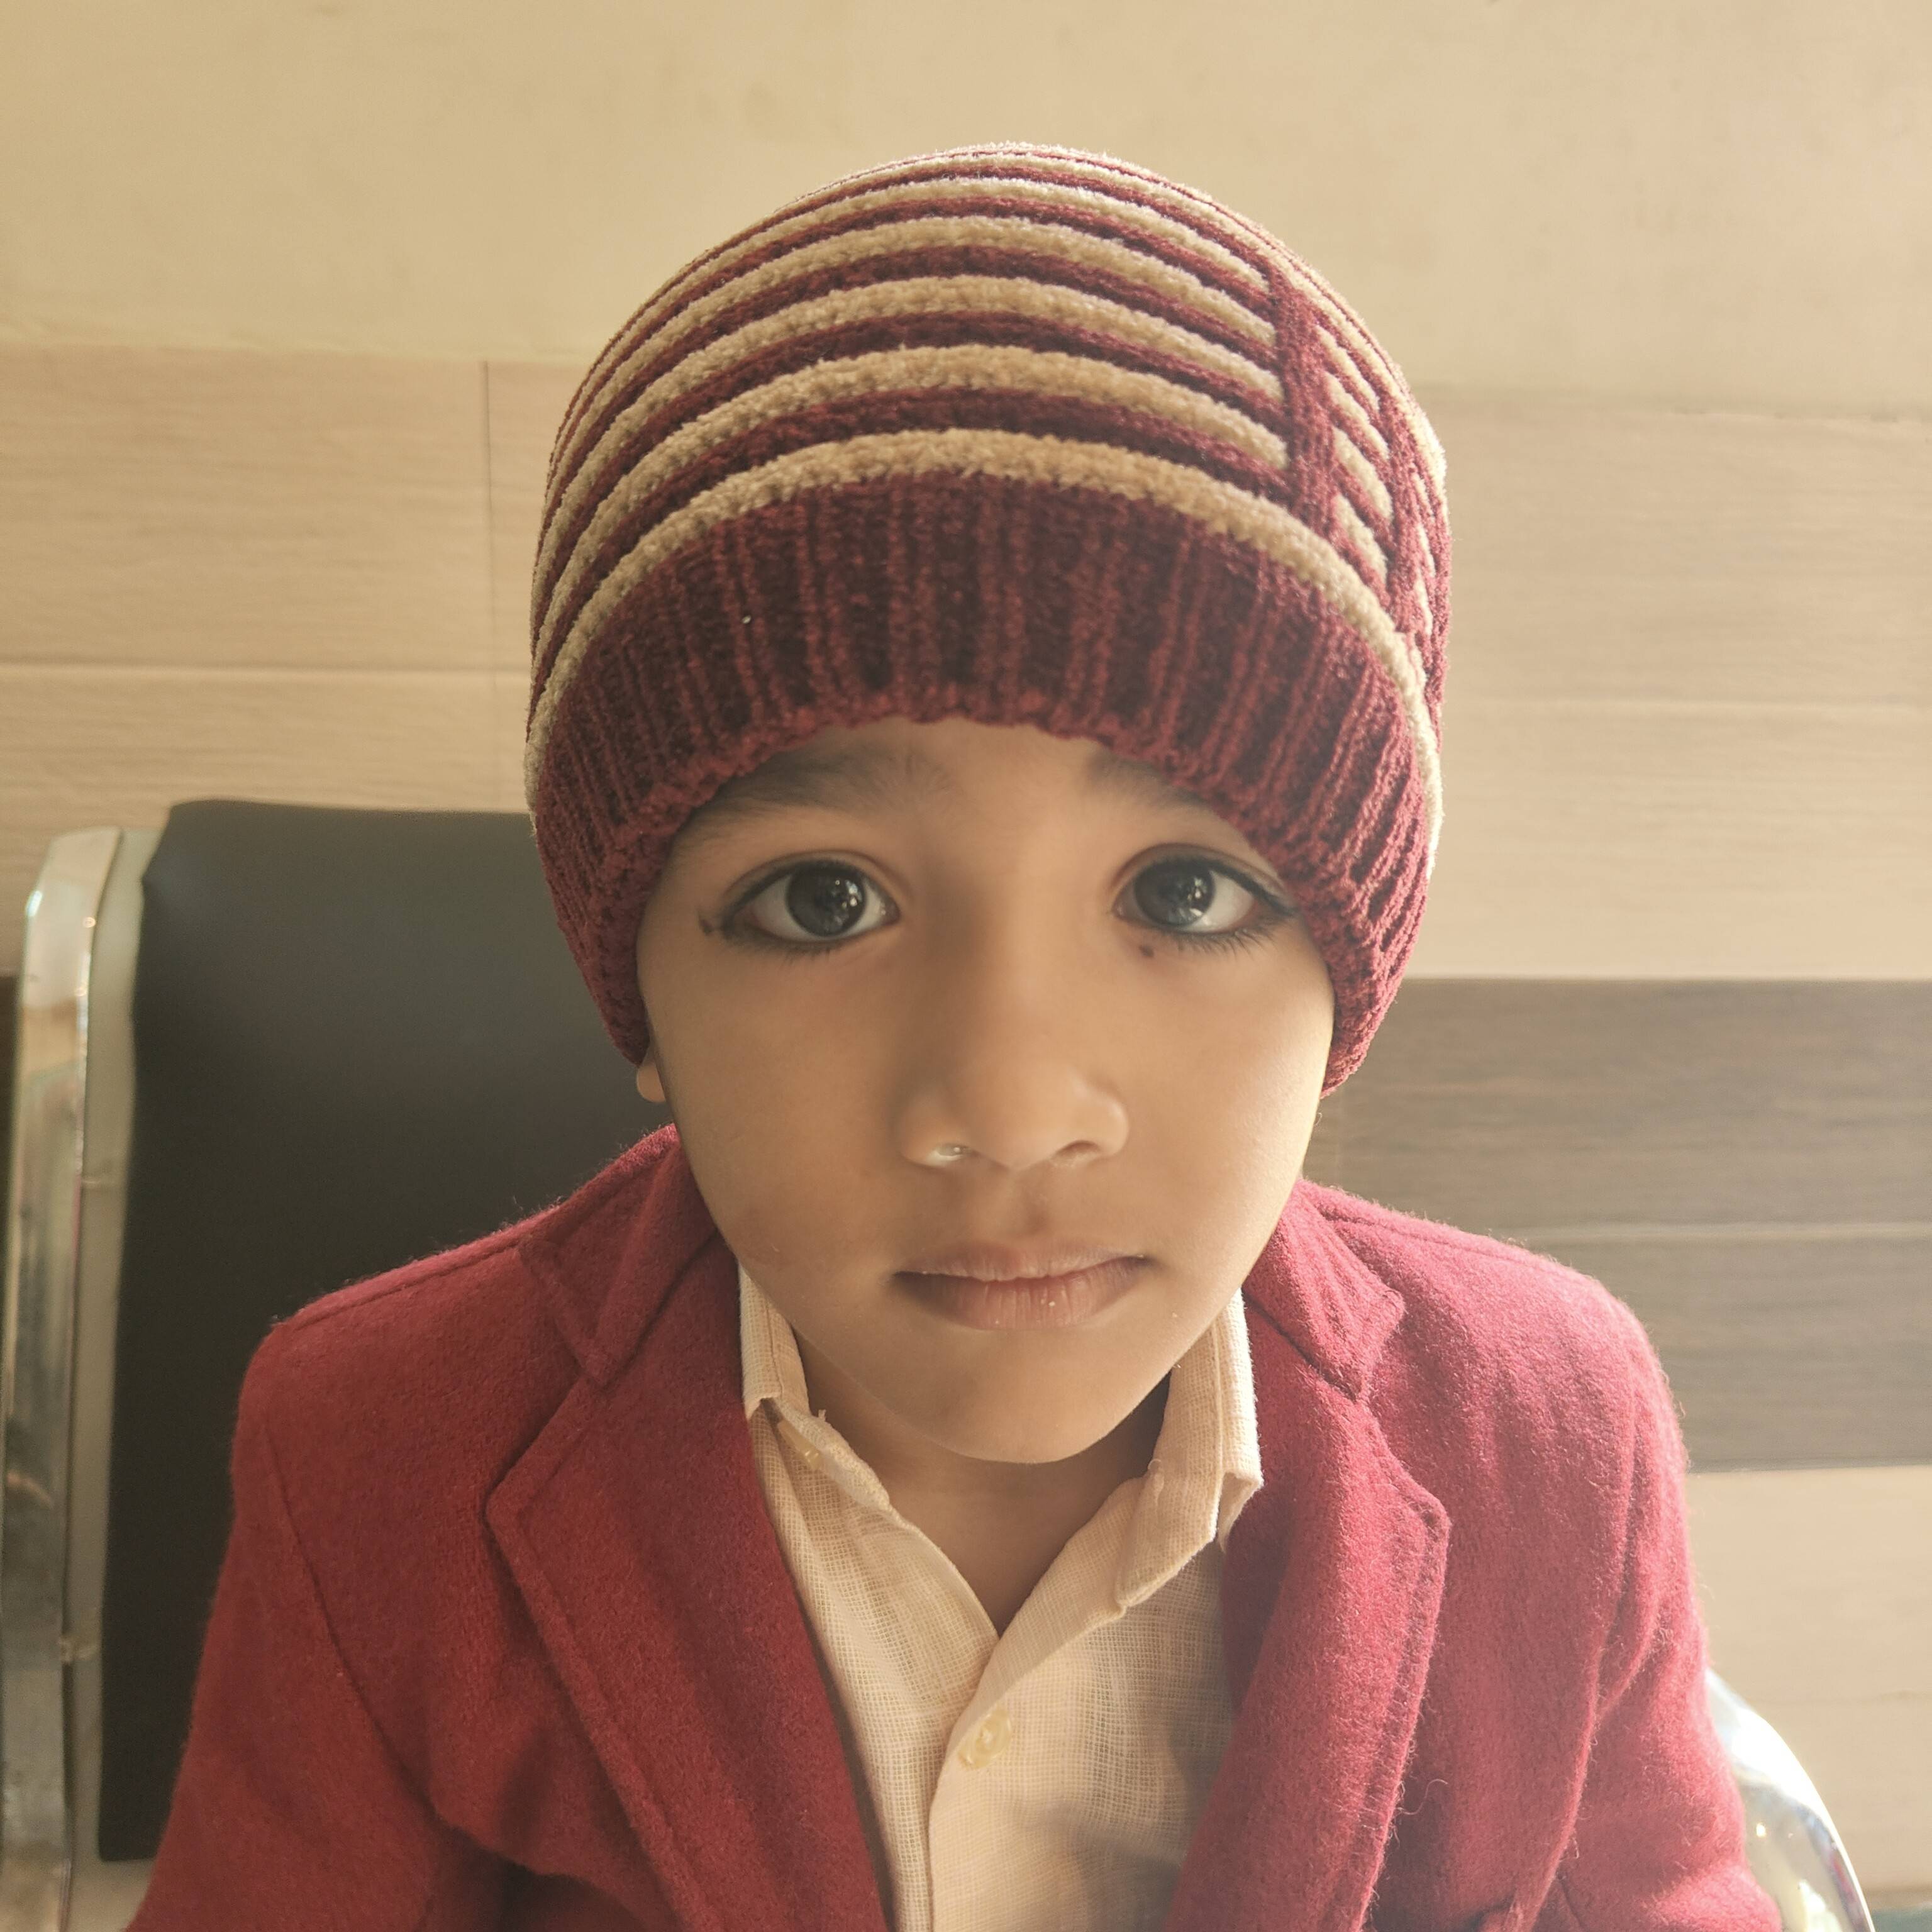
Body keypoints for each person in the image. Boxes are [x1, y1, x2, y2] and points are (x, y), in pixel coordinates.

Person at [130, 141, 1779, 1931]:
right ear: (638, 997)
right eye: (822, 900)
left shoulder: (1553, 1430)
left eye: (1188, 895)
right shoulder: (376, 1451)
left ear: (1348, 982)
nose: (1007, 1107)